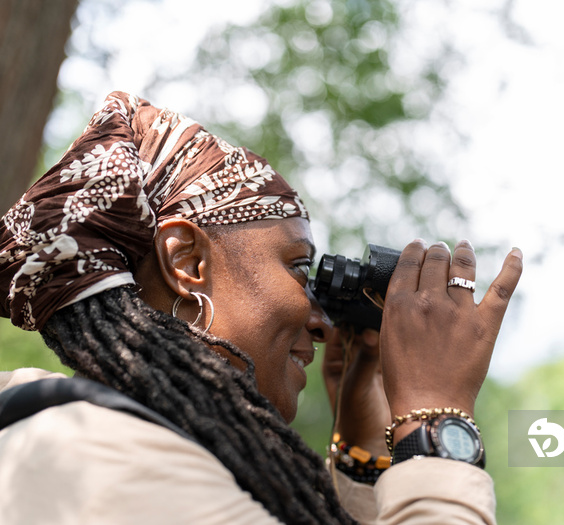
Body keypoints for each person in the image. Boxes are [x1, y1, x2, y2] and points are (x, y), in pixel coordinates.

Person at [0, 91, 522, 524]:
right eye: (298, 268)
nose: (321, 322)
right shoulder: (96, 457)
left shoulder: (115, 445)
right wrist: (434, 415)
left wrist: (364, 452)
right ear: (187, 261)